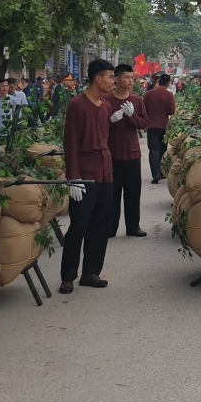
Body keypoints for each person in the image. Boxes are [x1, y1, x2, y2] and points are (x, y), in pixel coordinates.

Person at [60, 59, 118, 293]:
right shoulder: (77, 104)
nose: (112, 81)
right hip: (84, 175)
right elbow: (70, 143)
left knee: (101, 226)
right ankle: (68, 276)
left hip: (105, 172)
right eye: (111, 77)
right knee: (79, 226)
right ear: (98, 78)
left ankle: (91, 271)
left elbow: (105, 139)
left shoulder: (105, 106)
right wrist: (73, 177)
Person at [105, 64, 148, 238]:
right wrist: (110, 120)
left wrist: (133, 117)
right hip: (112, 153)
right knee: (112, 193)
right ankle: (110, 226)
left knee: (132, 191)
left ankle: (133, 226)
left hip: (132, 153)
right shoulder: (106, 100)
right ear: (116, 79)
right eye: (127, 77)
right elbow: (99, 126)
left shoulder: (137, 100)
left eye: (132, 77)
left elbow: (144, 124)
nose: (131, 80)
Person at [143, 74, 176, 184]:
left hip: (151, 125)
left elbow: (144, 108)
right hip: (164, 125)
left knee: (153, 150)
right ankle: (162, 172)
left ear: (158, 81)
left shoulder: (149, 94)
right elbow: (171, 111)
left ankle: (155, 173)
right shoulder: (169, 95)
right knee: (163, 149)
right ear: (168, 83)